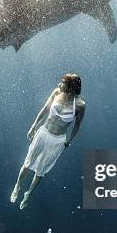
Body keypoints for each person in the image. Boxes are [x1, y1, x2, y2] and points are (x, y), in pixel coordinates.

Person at [11, 73, 85, 209]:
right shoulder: (57, 93)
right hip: (43, 133)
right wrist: (33, 126)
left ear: (70, 87)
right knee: (28, 163)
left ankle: (28, 194)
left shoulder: (80, 105)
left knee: (41, 170)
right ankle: (18, 186)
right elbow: (45, 109)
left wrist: (69, 140)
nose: (59, 84)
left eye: (63, 83)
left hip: (57, 140)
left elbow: (77, 125)